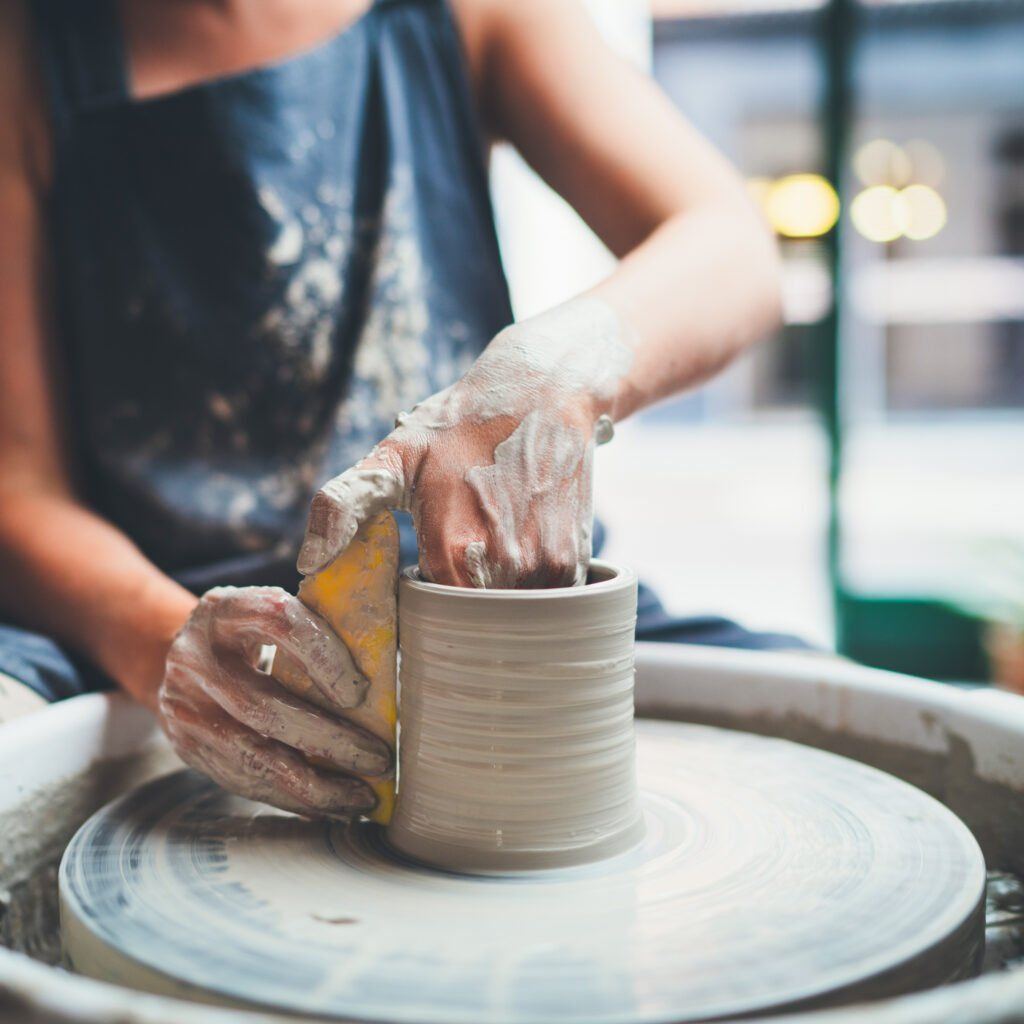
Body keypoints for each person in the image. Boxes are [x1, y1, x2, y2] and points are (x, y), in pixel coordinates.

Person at [0, 0, 794, 817]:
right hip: (178, 622)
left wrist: (559, 367)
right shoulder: (25, 46)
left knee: (830, 741)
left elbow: (731, 246)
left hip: (487, 602)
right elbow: (18, 486)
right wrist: (156, 639)